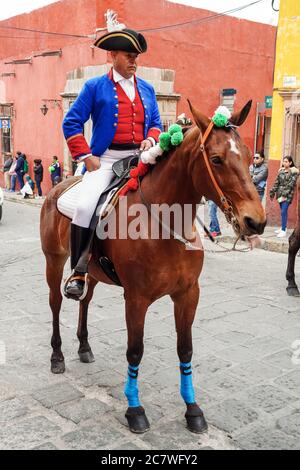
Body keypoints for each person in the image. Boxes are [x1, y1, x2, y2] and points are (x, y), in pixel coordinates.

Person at [62, 22, 162, 300]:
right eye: (128, 55)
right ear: (112, 56)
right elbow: (71, 122)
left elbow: (155, 123)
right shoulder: (95, 87)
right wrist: (85, 156)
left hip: (140, 156)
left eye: (136, 56)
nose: (134, 61)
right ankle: (79, 271)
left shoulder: (148, 89)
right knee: (84, 206)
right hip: (106, 159)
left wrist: (151, 140)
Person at [270, 156, 299, 238]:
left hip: (287, 195)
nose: (284, 163)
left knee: (283, 211)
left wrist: (284, 194)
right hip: (279, 194)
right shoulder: (281, 171)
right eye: (284, 161)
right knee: (283, 212)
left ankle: (283, 230)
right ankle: (284, 227)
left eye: (286, 161)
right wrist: (272, 191)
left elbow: (291, 184)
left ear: (290, 163)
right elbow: (276, 182)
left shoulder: (294, 172)